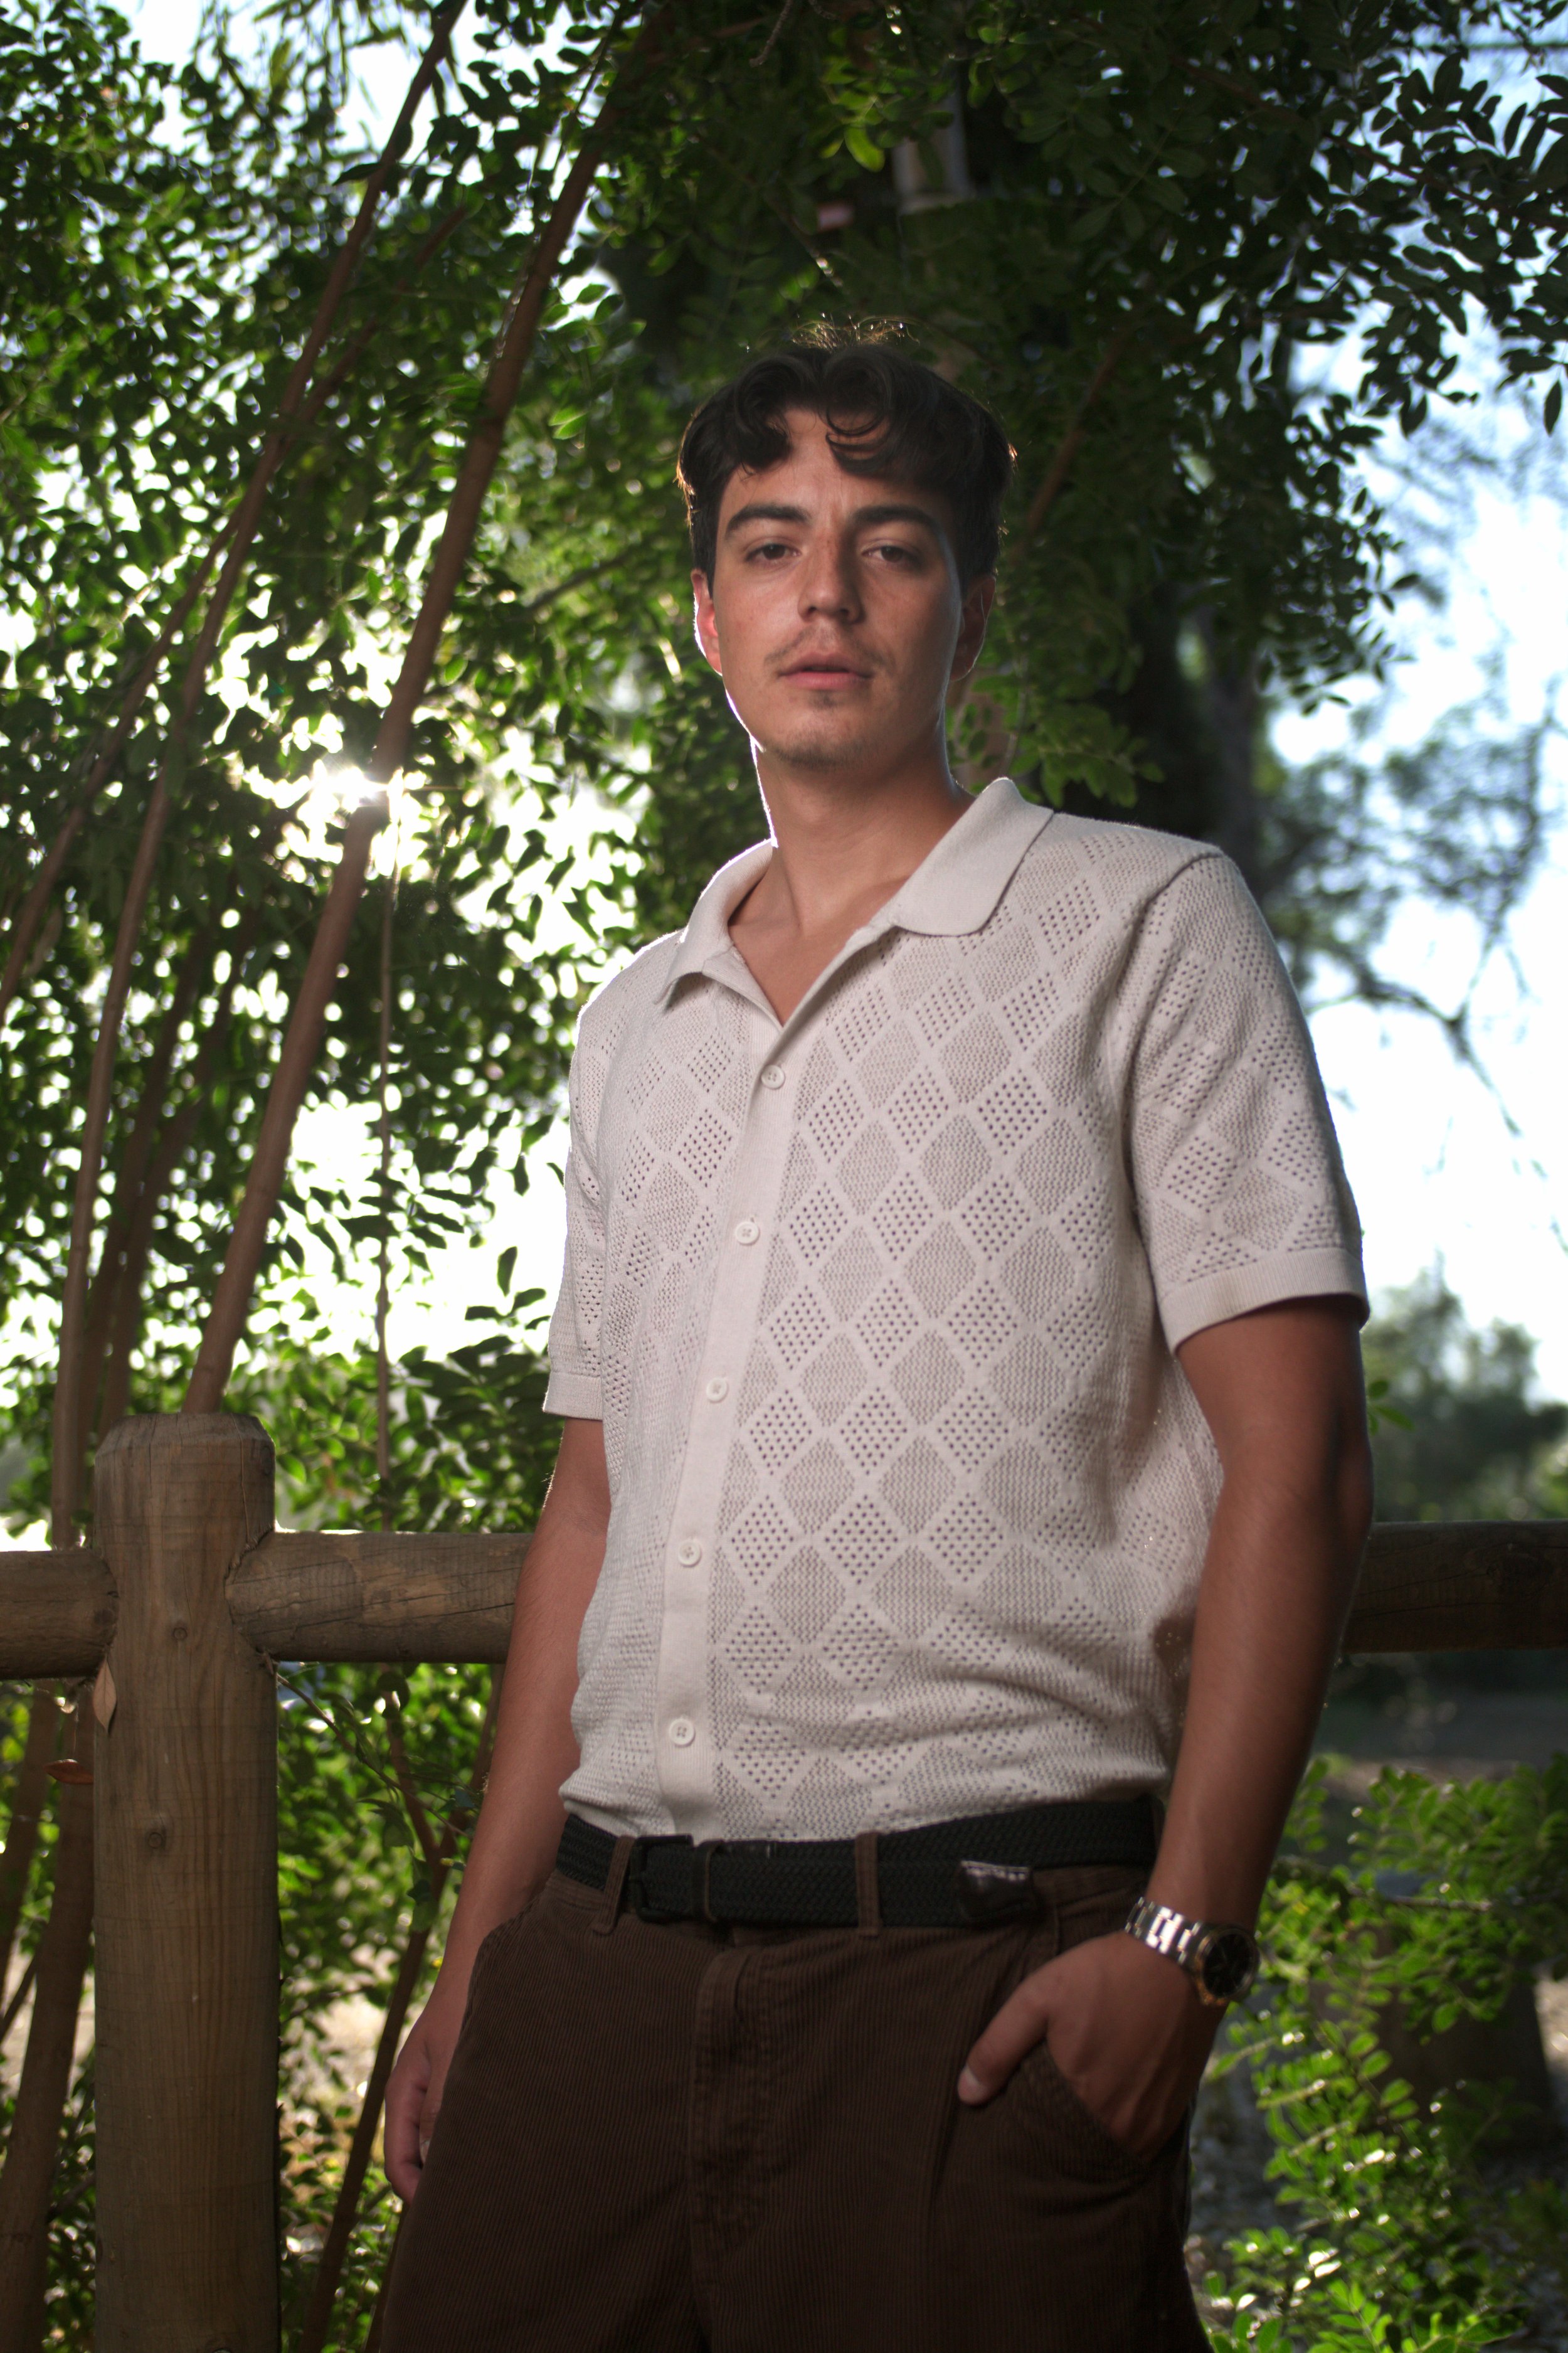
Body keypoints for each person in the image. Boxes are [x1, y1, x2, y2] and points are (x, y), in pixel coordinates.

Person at [381, 336, 1373, 2352]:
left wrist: (1182, 1948)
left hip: (977, 1969)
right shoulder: (633, 1023)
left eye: (889, 545)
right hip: (595, 1967)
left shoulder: (1144, 921)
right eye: (770, 545)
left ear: (966, 609)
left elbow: (1301, 1461)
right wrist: (485, 1954)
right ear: (707, 616)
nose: (823, 593)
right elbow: (590, 1509)